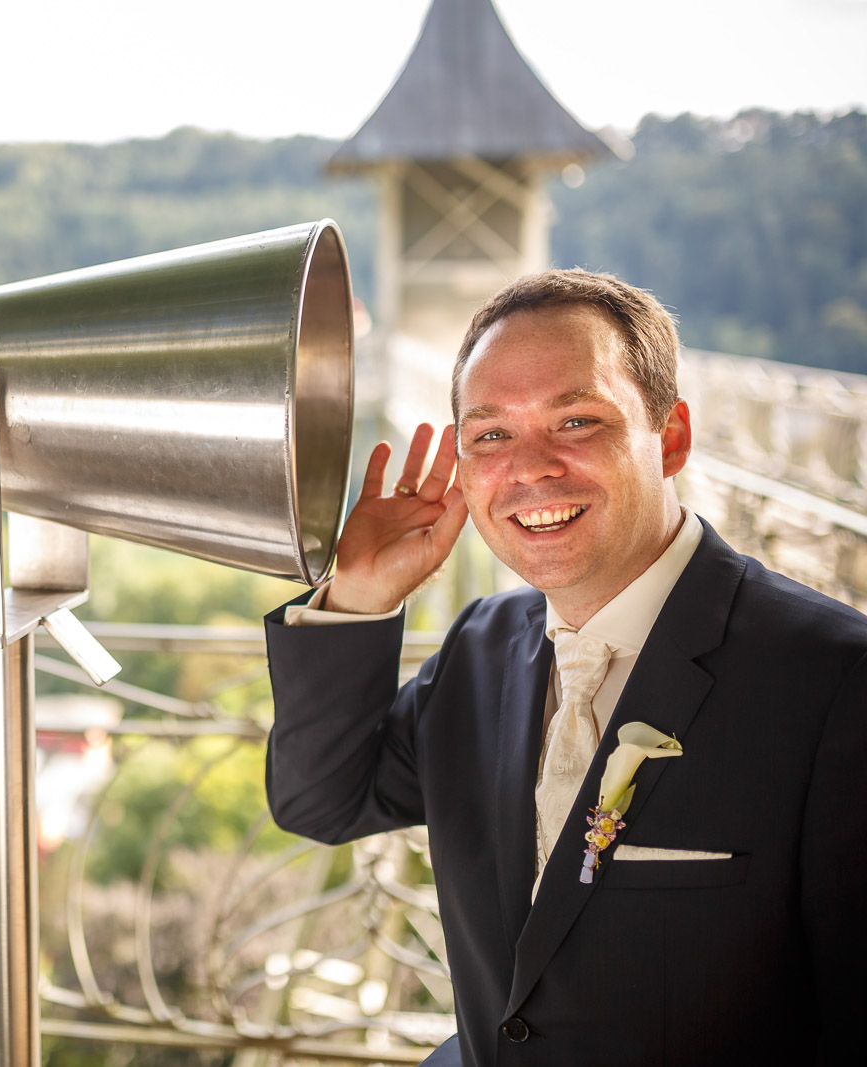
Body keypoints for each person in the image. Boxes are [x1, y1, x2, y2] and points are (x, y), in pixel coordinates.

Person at [264, 268, 867, 1065]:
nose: (531, 468)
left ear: (673, 436)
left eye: (577, 421)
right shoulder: (481, 646)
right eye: (490, 436)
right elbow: (323, 801)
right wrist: (359, 597)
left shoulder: (835, 684)